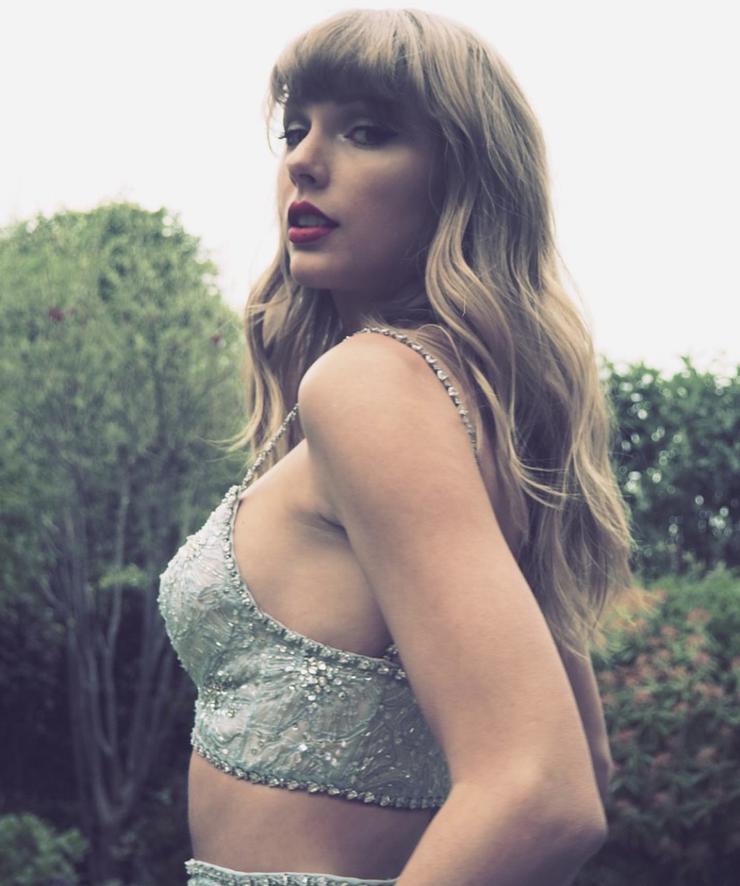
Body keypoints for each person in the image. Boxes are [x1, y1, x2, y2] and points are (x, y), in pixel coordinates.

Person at [158, 8, 634, 886]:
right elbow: (591, 759)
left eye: (367, 131)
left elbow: (544, 791)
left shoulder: (370, 386)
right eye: (295, 129)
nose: (303, 161)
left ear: (463, 180)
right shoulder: (466, 408)